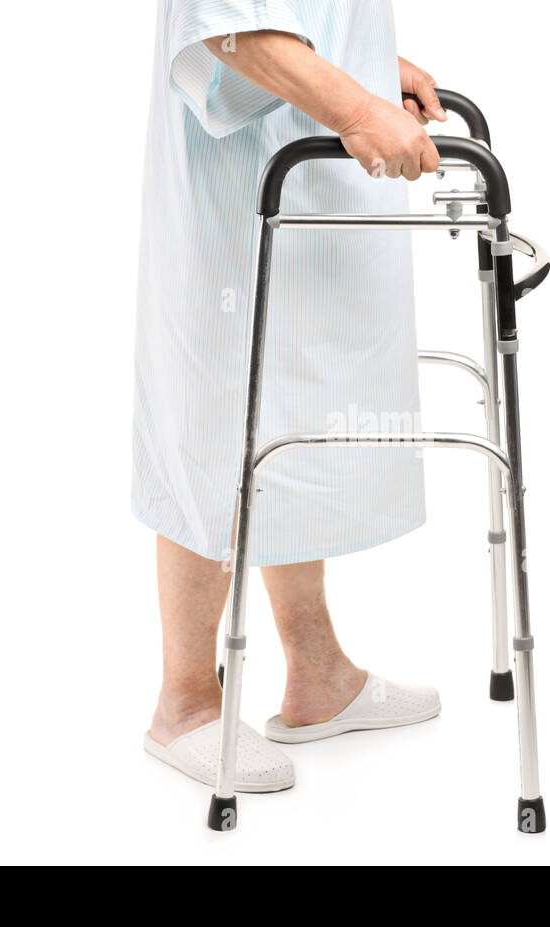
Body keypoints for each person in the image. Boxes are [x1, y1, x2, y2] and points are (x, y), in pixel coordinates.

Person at [135, 0, 449, 791]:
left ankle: (318, 675)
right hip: (237, 180)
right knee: (219, 416)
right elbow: (228, 27)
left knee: (291, 408)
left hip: (297, 167)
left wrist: (366, 71)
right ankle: (186, 700)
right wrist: (358, 108)